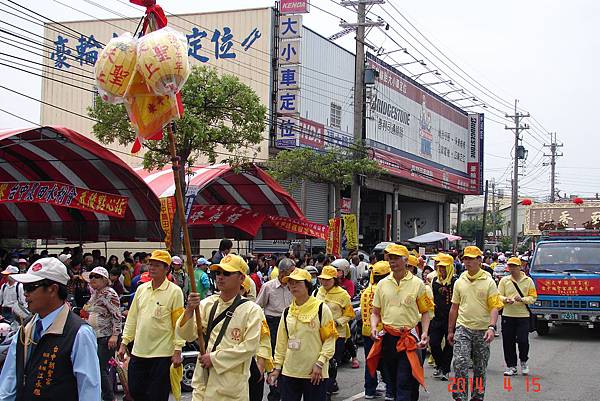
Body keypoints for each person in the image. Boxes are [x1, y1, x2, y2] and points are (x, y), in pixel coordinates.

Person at [0, 257, 101, 401]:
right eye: (24, 287)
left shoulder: (79, 333)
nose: (25, 293)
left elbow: (89, 389)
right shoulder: (26, 329)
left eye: (31, 287)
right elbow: (8, 382)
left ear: (53, 289)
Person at [176, 254, 263, 401]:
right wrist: (189, 310)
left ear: (241, 278)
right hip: (204, 381)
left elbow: (249, 347)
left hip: (231, 386)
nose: (220, 277)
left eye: (227, 273)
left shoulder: (252, 310)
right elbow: (188, 335)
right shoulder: (207, 304)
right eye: (218, 273)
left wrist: (214, 358)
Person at [367, 244, 434, 401]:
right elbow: (375, 313)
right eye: (390, 258)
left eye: (396, 258)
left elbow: (425, 312)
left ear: (406, 261)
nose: (392, 261)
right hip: (388, 338)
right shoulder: (383, 284)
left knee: (404, 380)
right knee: (391, 381)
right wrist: (373, 327)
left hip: (408, 338)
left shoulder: (417, 284)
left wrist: (424, 333)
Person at [118, 250, 185, 401]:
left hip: (162, 355)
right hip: (138, 352)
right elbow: (132, 318)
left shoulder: (175, 292)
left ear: (167, 269)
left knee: (157, 396)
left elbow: (178, 324)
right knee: (135, 392)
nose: (152, 268)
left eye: (157, 265)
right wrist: (124, 342)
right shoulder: (141, 289)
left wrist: (178, 349)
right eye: (150, 264)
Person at [267, 268, 337, 401]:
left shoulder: (321, 309)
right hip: (290, 371)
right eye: (290, 283)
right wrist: (276, 368)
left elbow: (330, 339)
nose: (293, 286)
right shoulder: (287, 312)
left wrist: (320, 363)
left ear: (307, 285)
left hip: (314, 372)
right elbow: (281, 343)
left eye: (297, 282)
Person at [448, 246, 504, 401]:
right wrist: (450, 330)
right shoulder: (460, 281)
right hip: (463, 328)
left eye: (472, 258)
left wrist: (492, 327)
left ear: (480, 260)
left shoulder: (489, 281)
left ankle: (477, 396)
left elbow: (494, 306)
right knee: (460, 362)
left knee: (480, 367)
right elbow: (454, 307)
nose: (468, 262)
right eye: (465, 258)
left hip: (482, 330)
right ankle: (460, 396)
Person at [256, 258, 295, 401]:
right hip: (273, 323)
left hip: (290, 323)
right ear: (282, 272)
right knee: (273, 360)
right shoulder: (268, 286)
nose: (293, 274)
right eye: (291, 272)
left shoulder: (294, 285)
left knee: (289, 356)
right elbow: (258, 306)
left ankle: (287, 391)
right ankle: (274, 392)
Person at [82, 266, 122, 401]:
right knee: (97, 367)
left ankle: (109, 397)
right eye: (91, 276)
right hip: (95, 335)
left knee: (99, 368)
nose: (92, 279)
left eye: (96, 276)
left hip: (106, 336)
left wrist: (115, 335)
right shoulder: (96, 293)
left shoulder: (109, 293)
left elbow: (117, 314)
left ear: (105, 280)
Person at [316, 265, 356, 396]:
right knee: (322, 359)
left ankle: (330, 384)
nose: (325, 282)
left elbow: (349, 314)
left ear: (335, 279)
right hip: (320, 332)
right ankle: (325, 384)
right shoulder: (318, 292)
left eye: (328, 279)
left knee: (333, 361)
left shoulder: (342, 294)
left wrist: (338, 322)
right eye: (323, 279)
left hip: (337, 333)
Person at [498, 257, 537, 376]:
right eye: (510, 266)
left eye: (515, 266)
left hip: (523, 315)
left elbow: (533, 297)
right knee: (508, 341)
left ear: (520, 267)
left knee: (523, 340)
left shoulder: (528, 280)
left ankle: (524, 361)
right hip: (507, 315)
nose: (512, 269)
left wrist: (523, 299)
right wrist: (505, 299)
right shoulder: (504, 280)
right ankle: (511, 366)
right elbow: (498, 295)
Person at [360, 261, 392, 400]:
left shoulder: (366, 291)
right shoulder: (386, 291)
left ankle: (369, 390)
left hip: (368, 332)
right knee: (387, 362)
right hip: (384, 332)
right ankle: (390, 391)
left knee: (370, 361)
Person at [428, 253, 456, 381]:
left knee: (449, 344)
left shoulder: (456, 282)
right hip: (437, 317)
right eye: (440, 267)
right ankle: (439, 365)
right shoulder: (434, 281)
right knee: (434, 343)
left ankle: (445, 369)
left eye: (445, 267)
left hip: (452, 318)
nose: (442, 270)